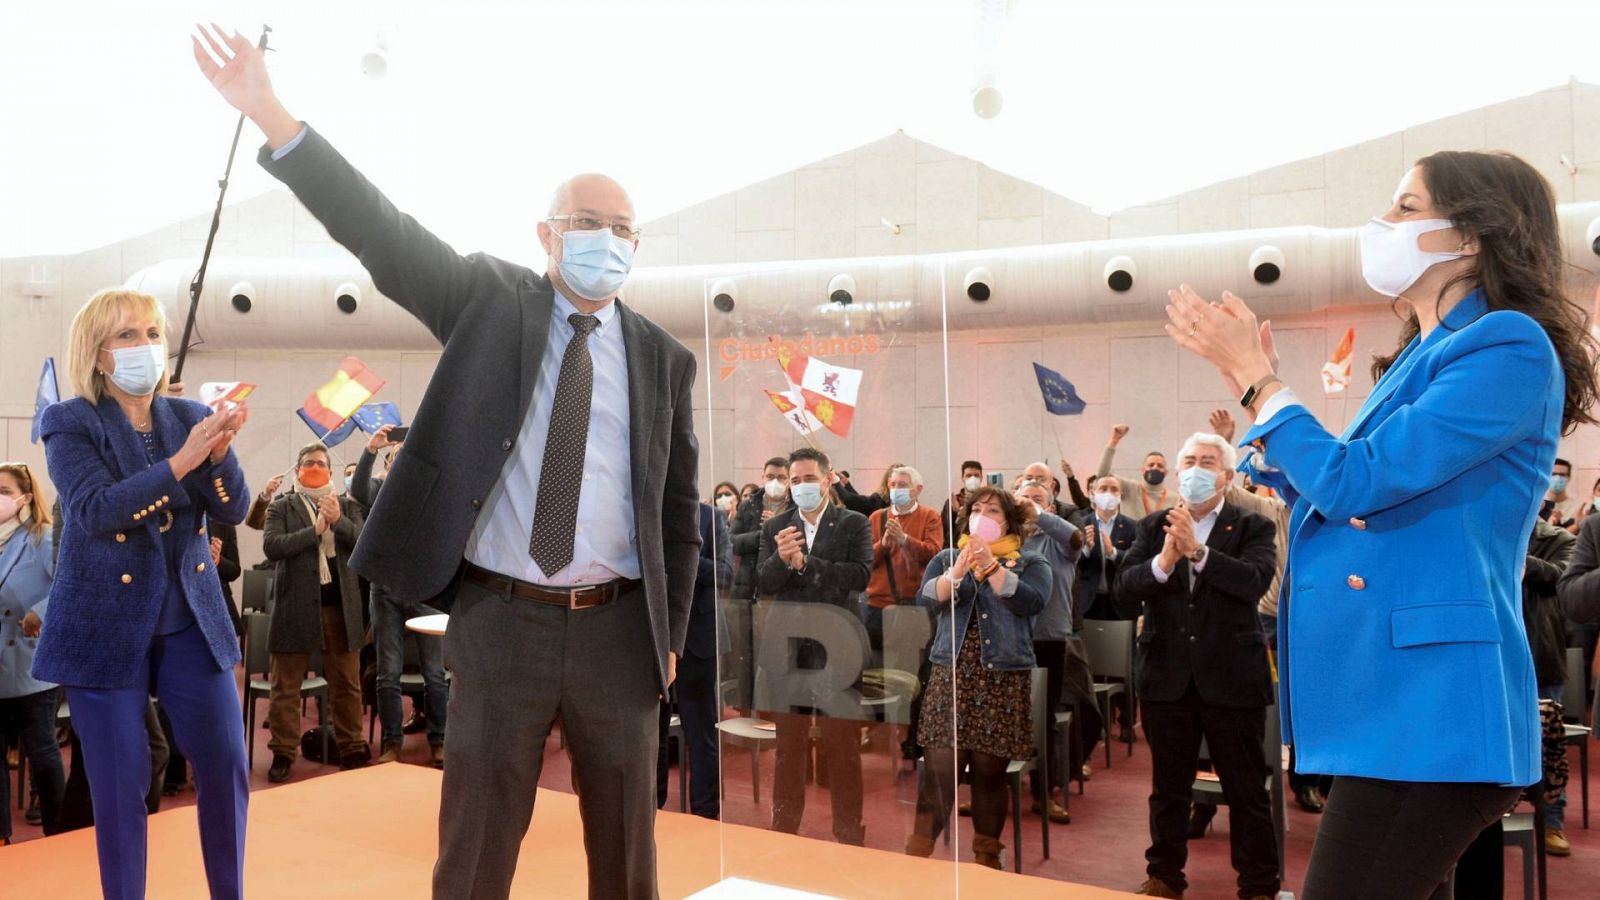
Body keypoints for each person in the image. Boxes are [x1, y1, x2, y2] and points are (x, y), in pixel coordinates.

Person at [195, 28, 700, 899]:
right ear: (545, 233)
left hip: (621, 632)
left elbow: (678, 516)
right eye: (587, 224)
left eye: (623, 229)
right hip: (504, 621)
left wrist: (671, 641)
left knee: (627, 856)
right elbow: (380, 232)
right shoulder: (489, 298)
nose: (606, 241)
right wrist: (270, 113)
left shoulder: (663, 358)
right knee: (473, 853)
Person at [1167, 149, 1597, 898]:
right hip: (1399, 700)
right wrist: (1257, 400)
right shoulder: (1419, 355)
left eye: (1406, 206)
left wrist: (1262, 383)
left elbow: (1355, 480)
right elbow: (1344, 485)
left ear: (1469, 236)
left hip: (1437, 705)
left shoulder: (1506, 344)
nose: (1385, 221)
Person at [36, 287, 251, 899]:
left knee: (227, 768)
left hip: (189, 622)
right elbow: (98, 510)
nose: (146, 347)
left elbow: (232, 507)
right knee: (120, 786)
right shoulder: (68, 422)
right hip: (103, 628)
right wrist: (183, 463)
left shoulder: (187, 418)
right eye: (128, 336)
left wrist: (221, 454)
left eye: (153, 334)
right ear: (98, 355)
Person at [1114, 433, 1280, 900]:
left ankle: (1258, 884)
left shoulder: (1252, 525)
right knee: (1168, 789)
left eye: (1208, 461)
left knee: (1246, 792)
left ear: (1227, 476)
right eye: (1188, 460)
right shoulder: (1151, 527)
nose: (1196, 468)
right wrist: (1165, 560)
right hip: (1167, 677)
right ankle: (1164, 875)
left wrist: (1200, 553)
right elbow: (1124, 591)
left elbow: (1254, 582)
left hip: (1232, 678)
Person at [904, 486, 1051, 869]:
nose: (983, 516)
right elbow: (927, 598)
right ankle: (918, 855)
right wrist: (958, 572)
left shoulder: (1031, 562)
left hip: (1000, 678)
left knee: (989, 775)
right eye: (977, 509)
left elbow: (1032, 602)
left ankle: (987, 859)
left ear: (1009, 521)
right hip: (951, 675)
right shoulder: (947, 557)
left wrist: (992, 568)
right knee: (938, 773)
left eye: (993, 511)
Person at [757, 447, 873, 846]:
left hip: (838, 647)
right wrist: (781, 558)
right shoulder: (777, 525)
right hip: (787, 650)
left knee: (841, 745)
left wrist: (807, 565)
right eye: (795, 480)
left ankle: (848, 830)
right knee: (788, 746)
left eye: (809, 478)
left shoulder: (854, 523)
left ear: (827, 480)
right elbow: (763, 581)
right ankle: (784, 828)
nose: (801, 486)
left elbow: (859, 576)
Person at [262, 441, 370, 780]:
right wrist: (315, 532)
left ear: (331, 470)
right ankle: (283, 752)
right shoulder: (282, 506)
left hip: (341, 608)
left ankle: (352, 747)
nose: (315, 468)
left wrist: (338, 523)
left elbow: (365, 543)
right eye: (309, 463)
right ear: (297, 470)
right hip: (294, 607)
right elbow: (272, 546)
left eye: (321, 463)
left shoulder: (346, 507)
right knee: (286, 686)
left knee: (347, 683)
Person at [352, 424, 448, 767]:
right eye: (394, 458)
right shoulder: (380, 490)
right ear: (388, 466)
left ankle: (439, 741)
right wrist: (371, 449)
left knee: (435, 673)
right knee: (387, 673)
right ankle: (391, 744)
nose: (400, 462)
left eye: (406, 457)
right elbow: (358, 489)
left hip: (424, 589)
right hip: (386, 590)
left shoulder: (431, 492)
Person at [0, 463, 63, 843]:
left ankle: (58, 831)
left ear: (24, 498)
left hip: (30, 663)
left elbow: (67, 588)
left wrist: (39, 610)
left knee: (42, 752)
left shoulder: (42, 538)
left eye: (5, 491)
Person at [656, 501, 730, 818]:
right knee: (651, 734)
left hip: (699, 638)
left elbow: (725, 575)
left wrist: (684, 556)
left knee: (702, 736)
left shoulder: (712, 518)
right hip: (651, 637)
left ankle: (706, 814)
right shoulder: (643, 509)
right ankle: (651, 807)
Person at [1015, 480, 1079, 823]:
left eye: (1036, 499)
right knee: (1005, 714)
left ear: (1050, 508)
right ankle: (995, 785)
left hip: (1047, 638)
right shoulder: (1004, 539)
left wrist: (1038, 515)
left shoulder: (1058, 543)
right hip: (1009, 638)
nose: (1026, 503)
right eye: (1021, 497)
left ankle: (1044, 792)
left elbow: (1075, 538)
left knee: (1044, 717)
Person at [1520, 517, 1576, 856]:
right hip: (1495, 657)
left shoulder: (1559, 539)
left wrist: (1515, 556)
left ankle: (1552, 822)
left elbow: (1561, 579)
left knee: (1549, 744)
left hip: (1541, 657)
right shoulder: (1489, 529)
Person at [864, 466, 943, 650]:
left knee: (909, 667)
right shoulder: (877, 517)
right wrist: (883, 544)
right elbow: (866, 560)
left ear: (918, 489)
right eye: (893, 484)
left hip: (913, 605)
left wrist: (905, 540)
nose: (896, 489)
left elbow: (934, 555)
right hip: (877, 606)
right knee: (874, 667)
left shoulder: (930, 516)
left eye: (903, 485)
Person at [731, 457, 792, 600]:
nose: (775, 482)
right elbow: (731, 542)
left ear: (789, 479)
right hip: (746, 584)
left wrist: (776, 527)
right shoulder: (748, 505)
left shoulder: (795, 508)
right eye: (770, 477)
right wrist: (764, 533)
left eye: (781, 477)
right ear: (762, 476)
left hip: (781, 587)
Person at [1097, 424, 1177, 519]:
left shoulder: (1175, 499)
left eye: (1160, 466)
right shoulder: (1129, 488)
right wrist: (1114, 441)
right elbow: (1102, 475)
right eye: (1151, 465)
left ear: (1166, 472)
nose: (1155, 468)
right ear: (1142, 470)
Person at [939, 460, 985, 540]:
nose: (973, 479)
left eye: (976, 475)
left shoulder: (987, 501)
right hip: (958, 548)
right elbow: (945, 532)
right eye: (969, 475)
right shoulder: (953, 502)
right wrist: (955, 513)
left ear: (981, 478)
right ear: (963, 478)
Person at [1541, 457, 1583, 534]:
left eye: (1562, 475)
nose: (1557, 478)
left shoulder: (1578, 507)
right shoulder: (1539, 505)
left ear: (1569, 477)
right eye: (1553, 474)